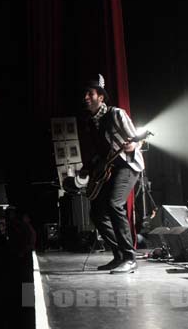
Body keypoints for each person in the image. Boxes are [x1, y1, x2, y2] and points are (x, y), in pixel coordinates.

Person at [78, 74, 144, 274]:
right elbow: (99, 152)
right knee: (97, 213)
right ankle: (119, 255)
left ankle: (130, 257)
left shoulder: (116, 114)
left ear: (101, 97)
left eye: (90, 94)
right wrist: (88, 167)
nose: (86, 97)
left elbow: (136, 139)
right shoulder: (90, 123)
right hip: (108, 170)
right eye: (85, 94)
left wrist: (133, 145)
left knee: (114, 203)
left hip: (127, 166)